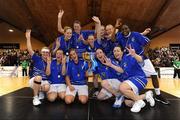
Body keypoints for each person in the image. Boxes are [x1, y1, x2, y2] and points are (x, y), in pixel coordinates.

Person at [115, 24, 170, 105]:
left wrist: (143, 54)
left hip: (140, 58)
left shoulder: (136, 35)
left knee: (154, 74)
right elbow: (114, 38)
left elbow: (148, 42)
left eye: (126, 28)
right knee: (127, 75)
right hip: (130, 59)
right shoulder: (120, 37)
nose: (124, 30)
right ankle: (132, 93)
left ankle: (158, 95)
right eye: (122, 29)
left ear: (129, 29)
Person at [107, 46, 155, 112]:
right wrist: (111, 65)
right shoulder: (121, 62)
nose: (116, 52)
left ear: (122, 52)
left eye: (118, 50)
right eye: (114, 51)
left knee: (122, 87)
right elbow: (122, 70)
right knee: (127, 102)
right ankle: (146, 96)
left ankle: (139, 102)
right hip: (132, 82)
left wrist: (134, 55)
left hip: (140, 79)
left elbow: (141, 60)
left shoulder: (128, 56)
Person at [25, 29, 50, 106]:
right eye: (43, 52)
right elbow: (30, 49)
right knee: (39, 77)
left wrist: (49, 63)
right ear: (41, 53)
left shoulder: (50, 61)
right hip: (35, 79)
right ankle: (35, 97)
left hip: (44, 81)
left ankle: (41, 92)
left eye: (47, 52)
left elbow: (48, 74)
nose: (45, 53)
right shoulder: (37, 58)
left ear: (49, 53)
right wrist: (28, 38)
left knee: (47, 88)